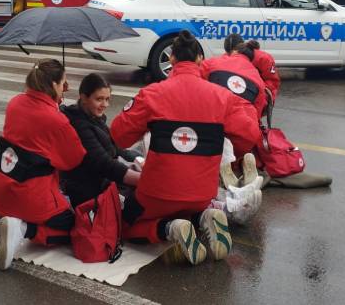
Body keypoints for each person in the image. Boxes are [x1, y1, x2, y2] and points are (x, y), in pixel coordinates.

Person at [110, 31, 261, 265]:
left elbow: (118, 135)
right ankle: (204, 216)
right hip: (202, 194)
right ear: (200, 59)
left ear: (171, 59)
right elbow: (249, 135)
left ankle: (170, 228)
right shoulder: (223, 97)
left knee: (127, 223)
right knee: (187, 205)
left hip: (156, 193)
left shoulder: (152, 94)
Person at [0, 59, 86, 270]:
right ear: (54, 85)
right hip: (32, 197)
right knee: (71, 226)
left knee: (17, 206)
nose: (64, 87)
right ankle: (22, 229)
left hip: (1, 191)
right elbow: (74, 159)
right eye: (63, 83)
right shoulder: (56, 119)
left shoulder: (14, 103)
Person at [60, 73, 141, 207]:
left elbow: (114, 146)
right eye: (99, 99)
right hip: (90, 188)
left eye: (107, 99)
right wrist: (141, 180)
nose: (105, 104)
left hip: (104, 176)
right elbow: (103, 163)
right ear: (84, 97)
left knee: (137, 155)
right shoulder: (79, 125)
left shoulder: (93, 116)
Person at [200, 34, 267, 190]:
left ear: (233, 53)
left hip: (215, 125)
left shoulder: (213, 63)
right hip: (246, 132)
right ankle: (240, 163)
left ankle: (222, 165)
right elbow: (257, 113)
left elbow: (194, 84)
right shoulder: (257, 77)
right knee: (241, 137)